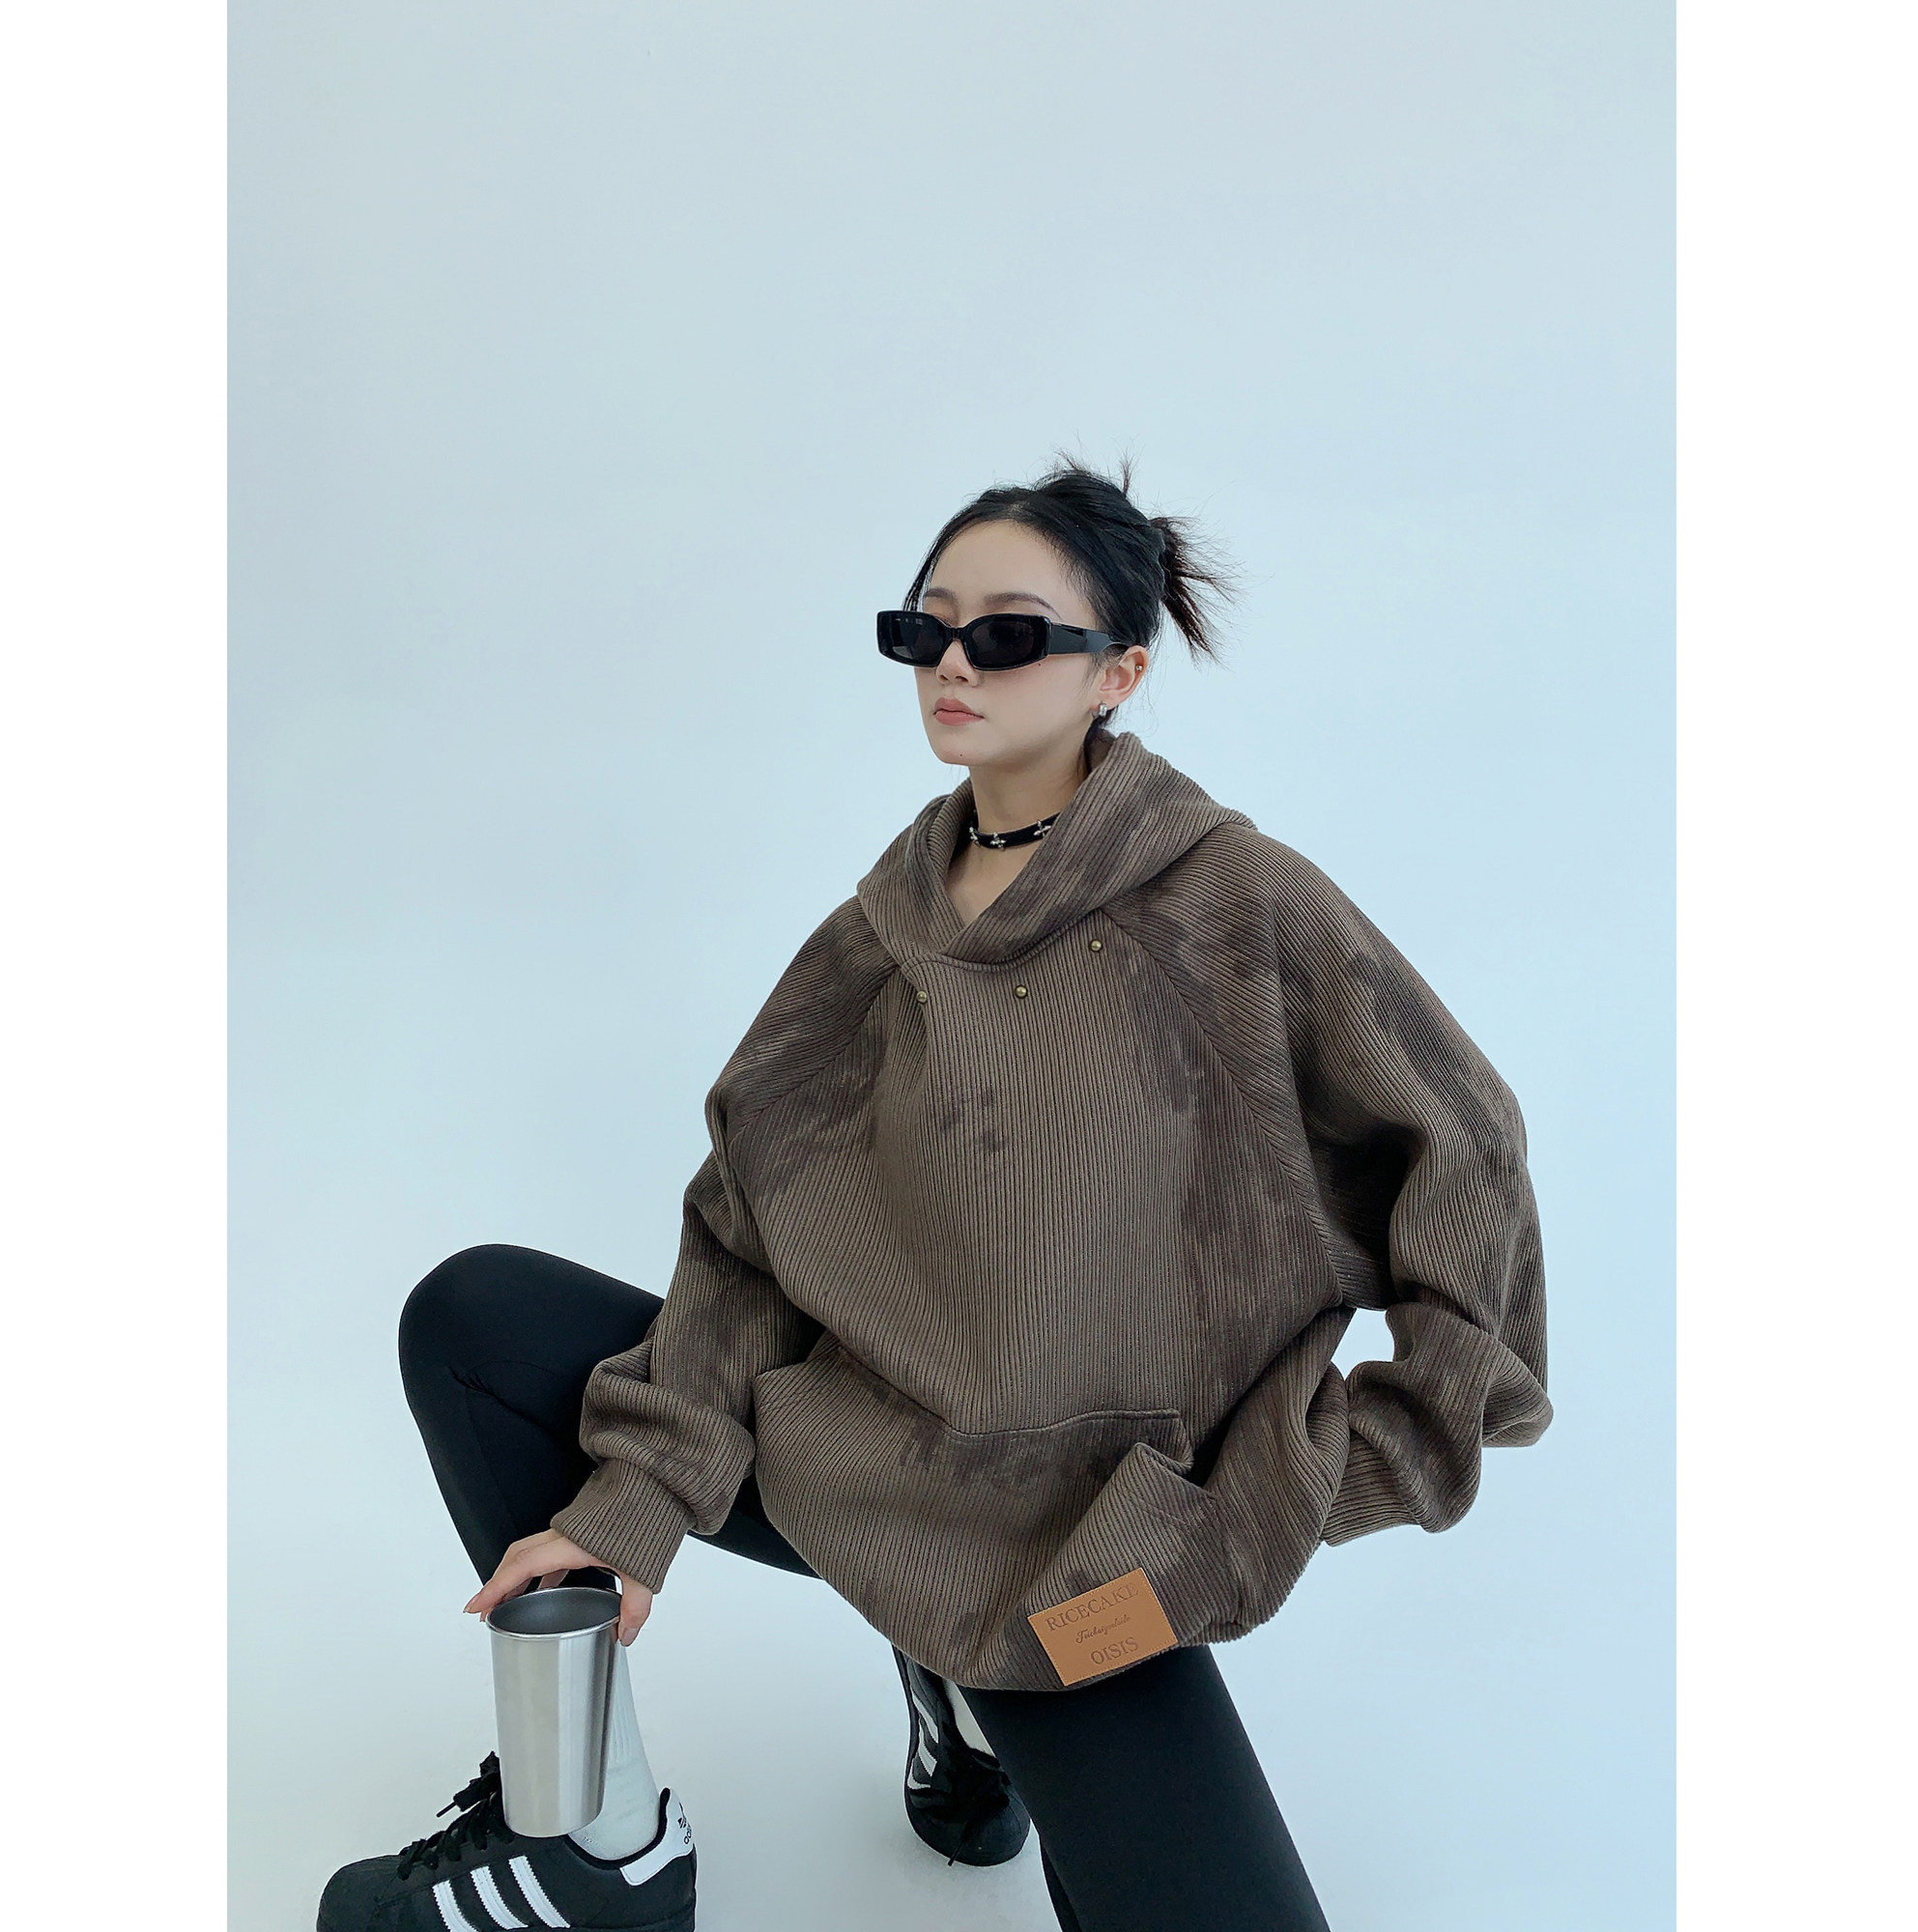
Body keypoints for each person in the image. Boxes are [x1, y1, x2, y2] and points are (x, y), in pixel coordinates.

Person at [318, 456, 1553, 1932]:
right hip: (861, 1464)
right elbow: (745, 1238)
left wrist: (1302, 1490)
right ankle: (598, 1836)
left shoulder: (1241, 904)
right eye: (926, 629)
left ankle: (967, 1697)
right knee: (476, 1318)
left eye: (1008, 634)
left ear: (1120, 672)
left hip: (1093, 1566)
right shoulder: (876, 936)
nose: (954, 663)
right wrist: (635, 1500)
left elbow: (1469, 1155)